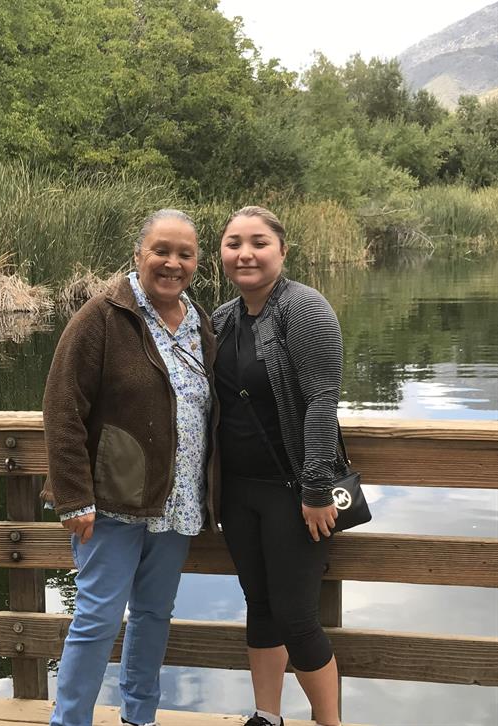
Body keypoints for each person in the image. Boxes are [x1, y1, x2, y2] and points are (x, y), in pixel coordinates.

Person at [41, 209, 219, 726]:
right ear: (139, 254)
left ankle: (138, 717)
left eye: (185, 254)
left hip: (177, 502)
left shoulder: (199, 322)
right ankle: (69, 721)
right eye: (161, 250)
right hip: (111, 503)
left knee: (152, 617)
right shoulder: (101, 315)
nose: (172, 263)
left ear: (196, 262)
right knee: (96, 619)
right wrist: (73, 497)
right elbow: (62, 407)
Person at [212, 207, 343, 726]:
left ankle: (328, 722)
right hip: (239, 492)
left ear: (282, 251)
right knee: (259, 606)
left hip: (293, 492)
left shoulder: (304, 307)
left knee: (296, 616)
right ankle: (267, 715)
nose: (245, 253)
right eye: (233, 243)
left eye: (259, 242)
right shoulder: (222, 317)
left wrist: (315, 491)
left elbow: (321, 400)